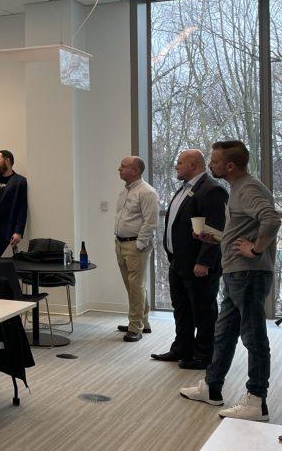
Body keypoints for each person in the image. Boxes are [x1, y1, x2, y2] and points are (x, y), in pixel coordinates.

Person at [181, 140, 281, 421]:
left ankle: (256, 400)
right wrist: (215, 236)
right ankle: (212, 387)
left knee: (253, 337)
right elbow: (241, 233)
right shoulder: (238, 189)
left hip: (248, 274)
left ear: (230, 165)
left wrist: (257, 248)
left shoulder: (248, 188)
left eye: (214, 161)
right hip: (236, 273)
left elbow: (272, 219)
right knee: (223, 333)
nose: (210, 165)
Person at [151, 150, 227, 369]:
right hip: (179, 261)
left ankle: (204, 356)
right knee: (182, 308)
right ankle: (182, 348)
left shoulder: (212, 190)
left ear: (194, 165)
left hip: (199, 265)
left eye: (180, 162)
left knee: (203, 311)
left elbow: (216, 228)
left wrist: (204, 261)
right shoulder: (186, 189)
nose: (176, 166)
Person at [114, 156, 159, 342]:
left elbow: (150, 222)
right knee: (133, 286)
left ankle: (135, 327)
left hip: (135, 245)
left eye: (123, 167)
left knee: (136, 286)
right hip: (120, 243)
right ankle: (143, 321)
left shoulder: (147, 192)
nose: (119, 169)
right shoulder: (124, 192)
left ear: (135, 171)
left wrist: (139, 244)